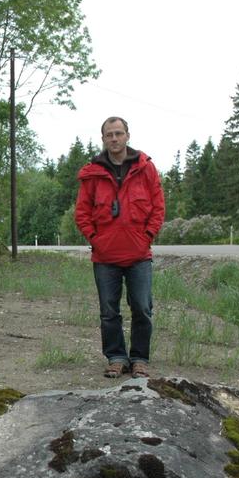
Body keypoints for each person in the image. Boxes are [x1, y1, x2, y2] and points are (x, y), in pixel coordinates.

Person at [74, 116, 165, 379]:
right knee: (109, 311)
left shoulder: (145, 168)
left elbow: (158, 207)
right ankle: (116, 357)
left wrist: (146, 236)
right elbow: (82, 213)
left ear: (127, 136)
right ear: (103, 139)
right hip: (105, 257)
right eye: (109, 134)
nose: (114, 138)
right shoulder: (92, 173)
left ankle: (139, 359)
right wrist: (96, 239)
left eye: (118, 133)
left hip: (139, 255)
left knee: (142, 308)